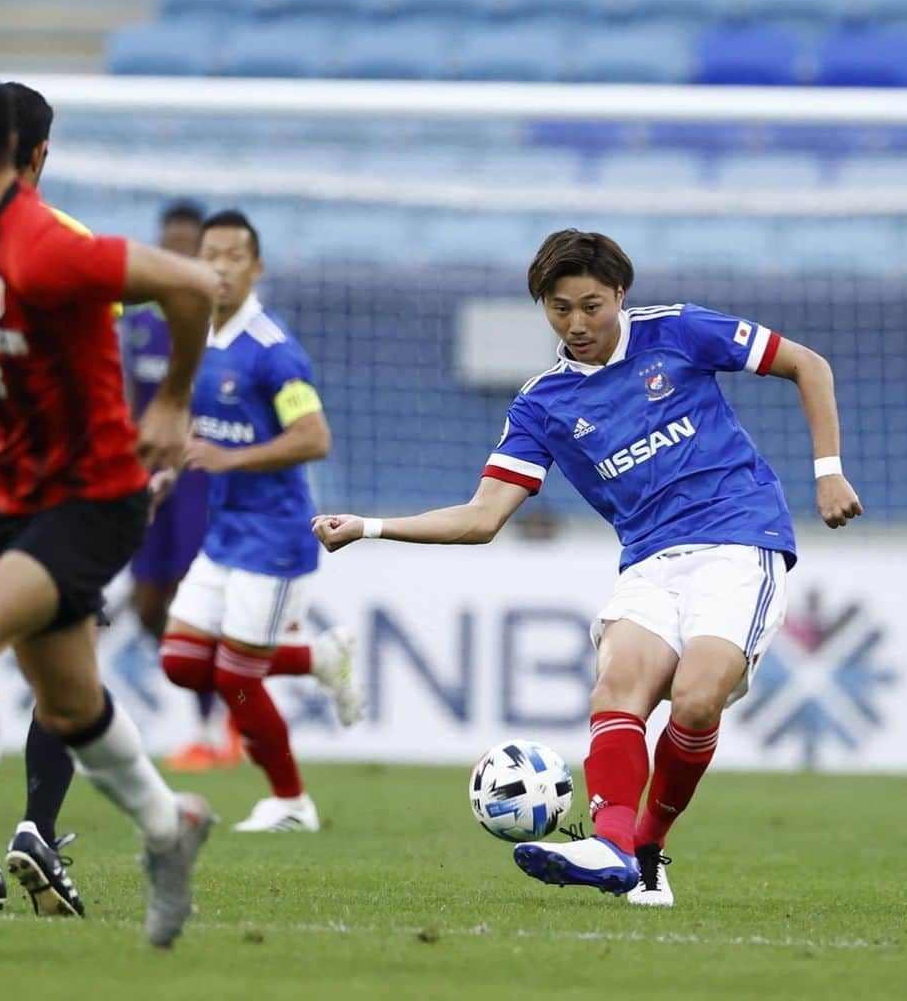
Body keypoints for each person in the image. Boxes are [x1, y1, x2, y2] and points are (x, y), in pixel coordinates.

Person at [313, 228, 863, 905]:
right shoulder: (542, 404)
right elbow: (482, 518)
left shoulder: (680, 332)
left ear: (620, 295)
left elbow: (809, 364)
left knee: (694, 701)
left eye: (592, 306)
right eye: (559, 308)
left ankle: (649, 850)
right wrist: (369, 527)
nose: (576, 324)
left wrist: (829, 472)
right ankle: (610, 845)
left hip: (739, 538)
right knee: (617, 689)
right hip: (650, 560)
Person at [0, 64, 216, 945]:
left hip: (88, 499)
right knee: (69, 706)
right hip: (9, 493)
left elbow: (192, 285)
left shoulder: (43, 245)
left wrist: (171, 404)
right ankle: (172, 829)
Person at [160, 209, 363, 833]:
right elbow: (203, 430)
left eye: (233, 256)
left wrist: (231, 458)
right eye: (210, 254)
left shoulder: (276, 353)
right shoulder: (199, 336)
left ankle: (292, 803)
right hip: (225, 533)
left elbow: (315, 437)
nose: (219, 267)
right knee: (179, 660)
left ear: (256, 268)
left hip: (275, 538)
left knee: (236, 681)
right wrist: (168, 468)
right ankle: (317, 660)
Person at [121, 203, 240, 773]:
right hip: (146, 477)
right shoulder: (138, 321)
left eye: (186, 248)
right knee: (148, 606)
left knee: (199, 603)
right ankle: (216, 708)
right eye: (167, 247)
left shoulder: (219, 325)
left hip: (198, 480)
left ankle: (216, 724)